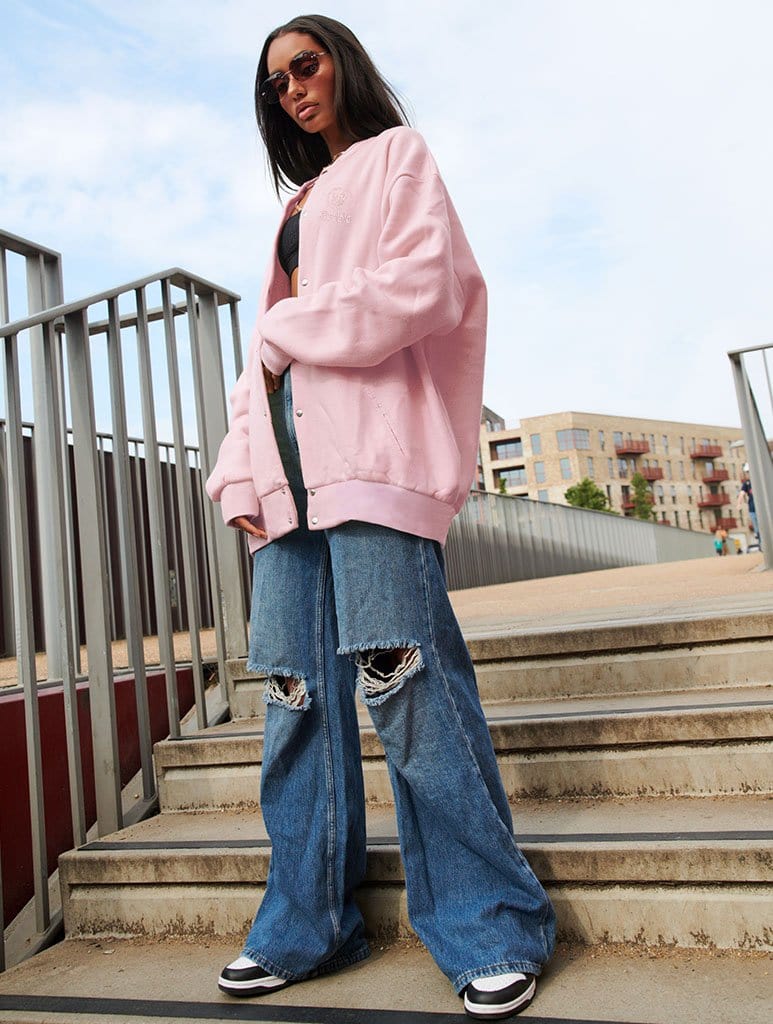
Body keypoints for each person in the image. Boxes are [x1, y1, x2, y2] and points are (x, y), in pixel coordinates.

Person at [206, 14, 555, 1019]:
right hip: (287, 483)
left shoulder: (400, 159)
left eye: (303, 67)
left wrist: (285, 323)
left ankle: (488, 919)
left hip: (370, 466)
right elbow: (259, 373)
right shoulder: (296, 207)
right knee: (290, 698)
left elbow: (424, 286)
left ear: (341, 65)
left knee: (401, 682)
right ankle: (302, 922)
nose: (290, 90)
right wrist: (241, 478)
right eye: (272, 84)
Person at [737, 464, 760, 545]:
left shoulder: (760, 480)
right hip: (752, 510)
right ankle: (761, 544)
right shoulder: (747, 484)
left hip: (762, 509)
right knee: (757, 529)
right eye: (747, 472)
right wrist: (739, 503)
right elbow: (742, 493)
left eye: (749, 471)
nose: (748, 473)